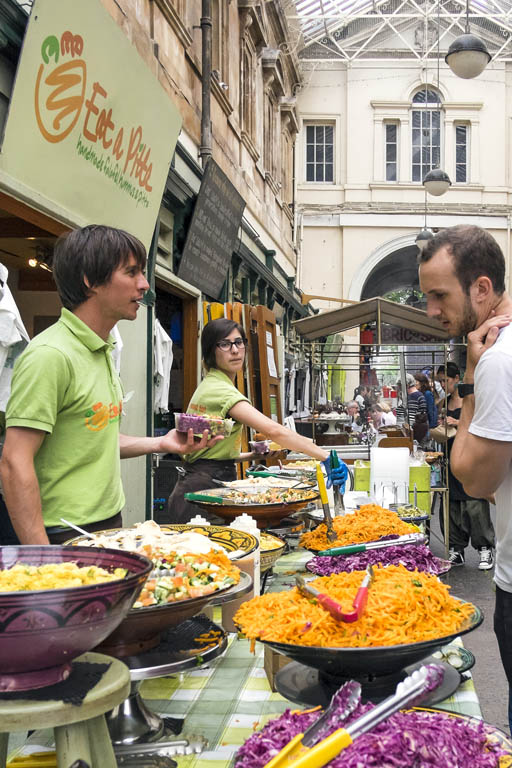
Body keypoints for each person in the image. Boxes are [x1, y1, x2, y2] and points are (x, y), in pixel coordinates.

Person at [0, 225, 217, 545]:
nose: (144, 285)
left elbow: (96, 438)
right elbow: (13, 462)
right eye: (131, 272)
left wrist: (162, 444)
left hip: (106, 525)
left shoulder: (103, 350)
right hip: (61, 534)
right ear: (90, 280)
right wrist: (43, 560)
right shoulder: (50, 355)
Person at [418, 223, 512, 730]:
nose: (432, 310)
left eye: (439, 295)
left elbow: (472, 478)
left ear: (481, 288)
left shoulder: (499, 361)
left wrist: (471, 378)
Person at [167, 318, 348, 523]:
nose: (235, 350)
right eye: (225, 344)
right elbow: (274, 431)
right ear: (211, 351)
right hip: (200, 496)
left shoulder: (214, 384)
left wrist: (252, 455)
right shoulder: (220, 390)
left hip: (205, 487)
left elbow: (211, 456)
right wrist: (326, 457)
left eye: (239, 342)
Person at [436, 361, 495, 569]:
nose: (443, 385)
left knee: (475, 504)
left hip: (471, 459)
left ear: (457, 379)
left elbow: (484, 425)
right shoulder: (442, 404)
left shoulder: (472, 401)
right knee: (452, 506)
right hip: (450, 458)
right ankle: (456, 549)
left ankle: (485, 549)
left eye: (446, 380)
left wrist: (458, 423)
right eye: (440, 381)